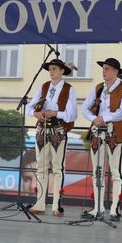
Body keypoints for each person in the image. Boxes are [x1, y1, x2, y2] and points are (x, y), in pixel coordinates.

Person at [80, 57, 122, 221]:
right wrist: (94, 118)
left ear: (116, 72)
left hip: (116, 132)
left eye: (107, 69)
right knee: (97, 171)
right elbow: (84, 108)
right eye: (103, 68)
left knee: (116, 171)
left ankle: (115, 209)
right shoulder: (98, 88)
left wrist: (104, 117)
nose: (104, 72)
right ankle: (98, 207)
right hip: (98, 131)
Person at [25, 58, 77, 216]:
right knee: (41, 167)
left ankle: (56, 204)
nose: (51, 71)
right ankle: (40, 203)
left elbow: (72, 114)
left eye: (55, 69)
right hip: (42, 129)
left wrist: (55, 113)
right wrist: (36, 113)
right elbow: (29, 107)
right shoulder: (43, 87)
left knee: (57, 167)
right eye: (50, 69)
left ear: (62, 71)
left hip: (59, 129)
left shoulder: (68, 89)